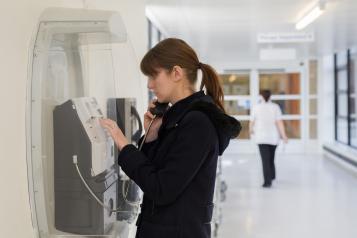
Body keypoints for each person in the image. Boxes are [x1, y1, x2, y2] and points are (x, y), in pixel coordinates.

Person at [100, 38, 241, 238]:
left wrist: (123, 144)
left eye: (153, 75)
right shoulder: (177, 119)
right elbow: (154, 171)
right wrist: (151, 135)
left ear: (176, 73)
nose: (149, 85)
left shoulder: (197, 123)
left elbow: (161, 189)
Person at [249, 90, 288, 188]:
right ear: (270, 97)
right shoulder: (275, 107)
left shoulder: (256, 107)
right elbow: (279, 123)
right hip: (273, 137)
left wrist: (250, 130)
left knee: (265, 160)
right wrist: (284, 136)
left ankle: (267, 182)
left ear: (261, 96)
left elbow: (252, 122)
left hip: (261, 138)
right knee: (271, 158)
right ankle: (272, 176)